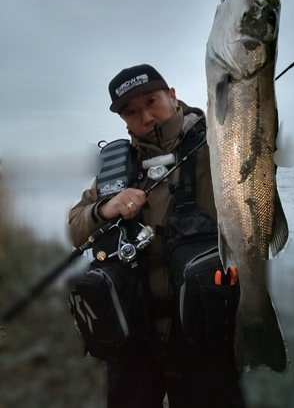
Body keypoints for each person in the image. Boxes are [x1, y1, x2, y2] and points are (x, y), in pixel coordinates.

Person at [68, 64, 246, 408]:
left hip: (202, 327)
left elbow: (256, 146)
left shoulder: (220, 141)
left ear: (172, 96)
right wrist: (104, 209)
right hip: (134, 331)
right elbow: (75, 226)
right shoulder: (117, 168)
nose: (146, 117)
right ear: (123, 120)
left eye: (152, 101)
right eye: (132, 112)